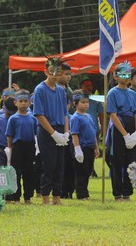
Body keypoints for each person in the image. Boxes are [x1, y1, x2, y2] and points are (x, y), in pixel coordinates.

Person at [33, 57, 70, 205]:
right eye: (51, 71)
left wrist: (66, 132)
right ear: (45, 71)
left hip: (60, 128)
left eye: (58, 72)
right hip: (46, 129)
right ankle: (45, 197)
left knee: (60, 165)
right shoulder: (40, 89)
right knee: (49, 164)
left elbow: (65, 113)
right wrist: (53, 133)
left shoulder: (61, 90)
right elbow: (39, 114)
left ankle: (57, 197)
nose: (54, 75)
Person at [106, 61, 136, 201]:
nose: (126, 77)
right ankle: (117, 193)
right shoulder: (112, 93)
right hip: (118, 126)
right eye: (123, 74)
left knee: (130, 161)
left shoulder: (132, 94)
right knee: (117, 160)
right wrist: (125, 135)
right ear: (116, 76)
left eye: (128, 74)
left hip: (131, 124)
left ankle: (127, 192)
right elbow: (113, 115)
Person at [5, 90, 37, 204]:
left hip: (30, 146)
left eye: (25, 101)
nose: (23, 103)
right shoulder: (13, 118)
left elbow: (35, 134)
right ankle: (16, 197)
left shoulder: (33, 118)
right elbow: (9, 135)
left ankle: (28, 196)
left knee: (29, 172)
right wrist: (10, 149)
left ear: (29, 102)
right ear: (15, 103)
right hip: (17, 146)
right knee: (16, 172)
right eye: (20, 101)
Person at [70, 90, 99, 200]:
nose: (86, 104)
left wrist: (96, 147)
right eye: (83, 102)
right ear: (75, 103)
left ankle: (85, 192)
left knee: (88, 171)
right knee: (81, 172)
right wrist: (77, 149)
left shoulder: (90, 117)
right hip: (82, 147)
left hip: (90, 147)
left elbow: (93, 133)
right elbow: (74, 134)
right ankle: (81, 194)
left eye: (87, 102)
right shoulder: (75, 118)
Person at [57, 63, 75, 199]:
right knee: (60, 162)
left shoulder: (69, 90)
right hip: (58, 126)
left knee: (70, 161)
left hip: (69, 125)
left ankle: (69, 189)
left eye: (70, 74)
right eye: (65, 74)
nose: (68, 77)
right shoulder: (54, 89)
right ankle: (61, 190)